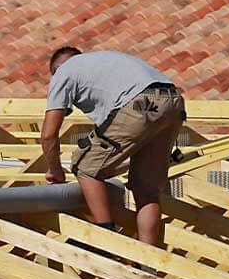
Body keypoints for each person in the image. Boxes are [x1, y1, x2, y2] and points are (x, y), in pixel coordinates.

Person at [40, 46, 185, 247]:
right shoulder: (102, 63)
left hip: (140, 104)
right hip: (173, 101)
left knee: (84, 166)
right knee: (146, 189)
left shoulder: (64, 72)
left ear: (56, 69)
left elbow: (48, 135)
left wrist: (55, 170)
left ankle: (106, 242)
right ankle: (149, 262)